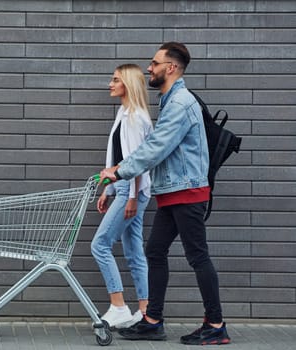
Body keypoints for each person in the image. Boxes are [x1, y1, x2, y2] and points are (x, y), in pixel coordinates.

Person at [99, 42, 231, 345]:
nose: (149, 68)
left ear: (170, 68)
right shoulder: (169, 100)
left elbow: (155, 147)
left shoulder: (181, 103)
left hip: (187, 192)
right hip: (173, 192)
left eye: (155, 63)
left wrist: (118, 171)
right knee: (154, 251)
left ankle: (216, 324)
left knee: (198, 256)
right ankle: (152, 320)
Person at [91, 64, 153, 330]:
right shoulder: (124, 112)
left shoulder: (135, 118)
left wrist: (129, 197)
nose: (110, 84)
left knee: (100, 244)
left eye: (115, 79)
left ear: (128, 83)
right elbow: (117, 159)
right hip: (128, 190)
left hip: (133, 192)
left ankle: (118, 306)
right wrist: (108, 189)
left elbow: (136, 162)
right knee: (133, 251)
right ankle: (144, 311)